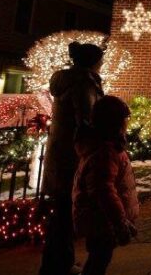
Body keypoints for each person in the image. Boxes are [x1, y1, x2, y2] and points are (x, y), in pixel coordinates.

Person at [40, 41, 105, 275]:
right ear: (93, 61)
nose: (102, 63)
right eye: (100, 59)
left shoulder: (67, 81)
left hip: (61, 155)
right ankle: (55, 266)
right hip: (73, 157)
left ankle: (58, 263)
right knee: (66, 213)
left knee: (63, 214)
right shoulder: (82, 83)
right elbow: (87, 120)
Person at [73, 96, 139, 275]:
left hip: (101, 219)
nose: (126, 124)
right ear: (114, 122)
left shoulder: (106, 146)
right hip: (100, 220)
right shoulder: (105, 152)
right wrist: (119, 221)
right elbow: (103, 191)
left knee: (100, 257)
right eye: (124, 120)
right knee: (99, 259)